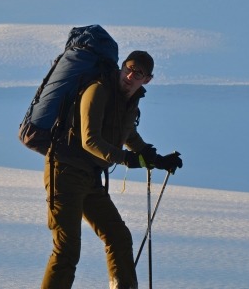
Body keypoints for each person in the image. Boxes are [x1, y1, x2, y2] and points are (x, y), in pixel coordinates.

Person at [41, 50, 183, 289]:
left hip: (91, 178)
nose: (130, 75)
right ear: (122, 66)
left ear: (147, 79)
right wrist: (128, 159)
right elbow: (90, 140)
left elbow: (127, 133)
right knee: (67, 249)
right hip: (64, 172)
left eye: (138, 73)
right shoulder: (98, 89)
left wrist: (155, 158)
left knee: (118, 237)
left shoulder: (128, 100)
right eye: (128, 68)